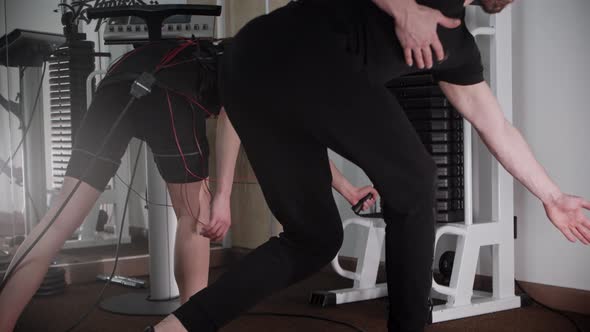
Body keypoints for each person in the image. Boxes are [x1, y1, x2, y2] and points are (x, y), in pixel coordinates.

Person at [151, 0, 590, 332]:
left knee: (313, 239)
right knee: (416, 181)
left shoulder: (458, 47)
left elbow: (496, 125)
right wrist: (403, 10)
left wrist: (553, 196)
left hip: (248, 68)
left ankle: (176, 328)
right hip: (280, 53)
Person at [0, 37, 378, 332]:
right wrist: (223, 198)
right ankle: (188, 323)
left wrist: (346, 189)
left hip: (120, 80)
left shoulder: (266, 54)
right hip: (170, 92)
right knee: (196, 217)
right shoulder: (287, 63)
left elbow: (299, 138)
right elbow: (233, 114)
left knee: (59, 219)